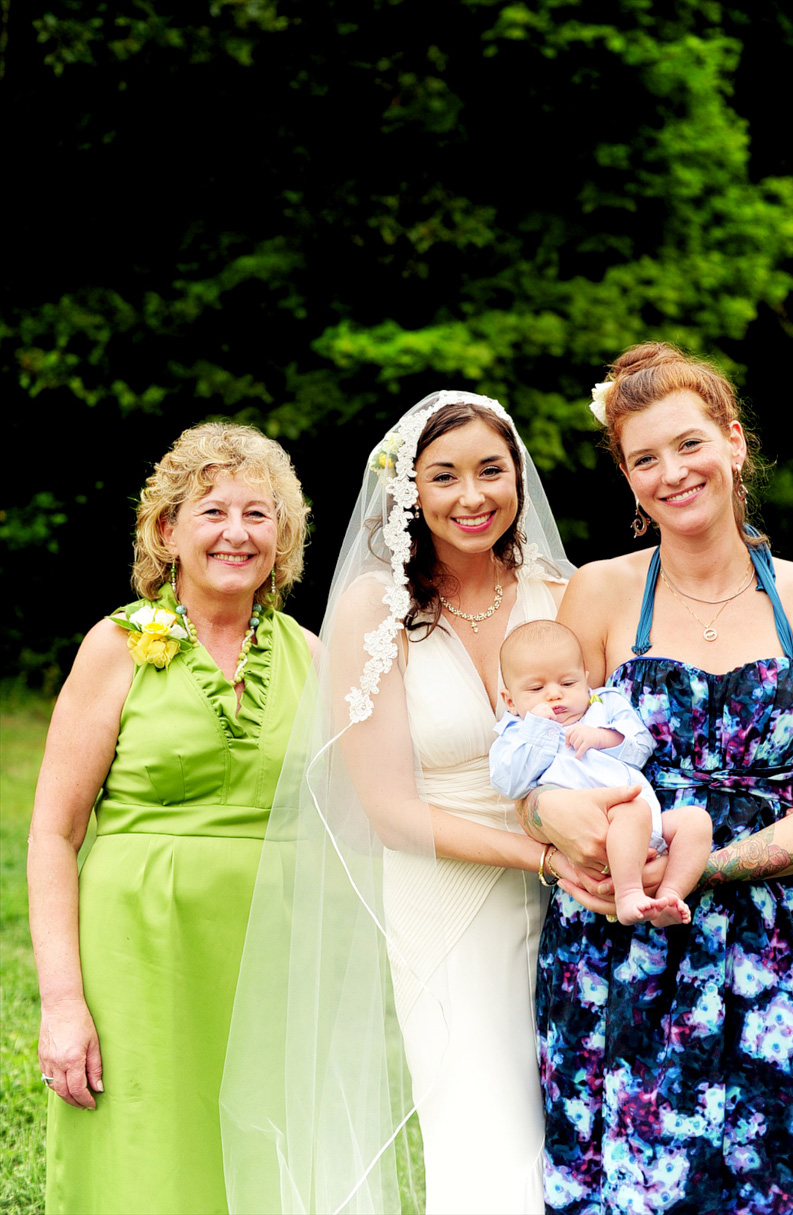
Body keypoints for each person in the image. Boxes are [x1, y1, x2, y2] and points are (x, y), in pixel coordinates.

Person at [221, 390, 637, 1215]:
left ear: (519, 475)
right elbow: (389, 811)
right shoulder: (376, 609)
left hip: (586, 894)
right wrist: (547, 856)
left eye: (491, 469)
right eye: (443, 475)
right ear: (410, 489)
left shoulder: (566, 591)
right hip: (448, 894)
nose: (471, 495)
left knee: (585, 1128)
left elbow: (614, 731)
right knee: (484, 1132)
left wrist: (585, 855)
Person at [527, 343, 793, 1213]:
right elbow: (541, 760)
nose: (672, 473)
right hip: (619, 949)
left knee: (792, 1180)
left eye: (688, 445)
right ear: (626, 477)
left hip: (770, 947)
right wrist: (559, 822)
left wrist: (711, 868)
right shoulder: (599, 594)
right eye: (644, 458)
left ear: (733, 443)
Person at [27, 422, 317, 1215]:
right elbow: (53, 831)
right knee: (144, 1164)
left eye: (259, 514)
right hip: (138, 961)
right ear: (167, 530)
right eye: (213, 511)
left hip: (270, 956)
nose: (236, 532)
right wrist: (62, 1002)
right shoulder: (115, 646)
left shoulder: (312, 655)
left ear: (283, 535)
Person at [490, 619, 712, 927]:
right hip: (597, 826)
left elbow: (641, 745)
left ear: (585, 679)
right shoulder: (516, 733)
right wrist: (538, 728)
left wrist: (603, 737)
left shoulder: (605, 704)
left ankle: (669, 896)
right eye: (537, 688)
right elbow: (510, 783)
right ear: (511, 700)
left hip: (648, 818)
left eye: (567, 684)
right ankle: (629, 893)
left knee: (695, 822)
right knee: (631, 810)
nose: (555, 696)